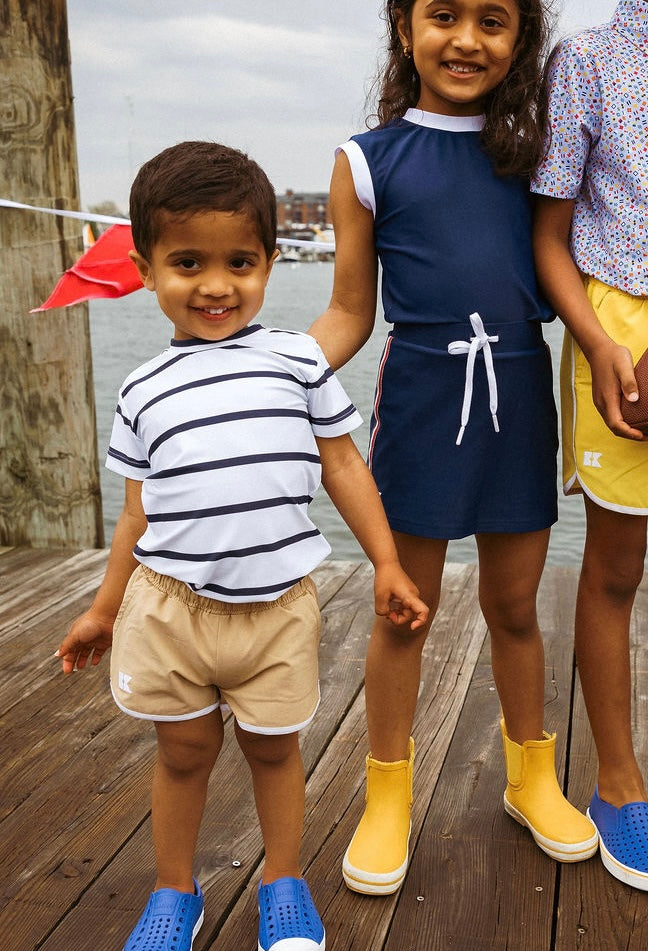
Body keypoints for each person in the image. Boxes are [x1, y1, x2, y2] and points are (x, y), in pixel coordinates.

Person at [56, 140, 428, 951]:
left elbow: (342, 465)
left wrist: (387, 564)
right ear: (146, 269)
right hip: (170, 608)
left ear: (265, 263)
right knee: (182, 753)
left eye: (240, 262)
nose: (216, 284)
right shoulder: (143, 388)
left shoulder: (298, 361)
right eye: (187, 263)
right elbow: (136, 510)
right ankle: (174, 892)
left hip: (277, 610)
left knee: (273, 750)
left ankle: (283, 880)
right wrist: (104, 609)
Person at [308, 0, 599, 897]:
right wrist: (271, 376)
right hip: (425, 396)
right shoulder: (367, 160)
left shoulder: (540, 154)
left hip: (518, 386)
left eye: (493, 20)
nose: (467, 39)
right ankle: (386, 795)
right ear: (404, 28)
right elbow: (351, 314)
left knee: (517, 607)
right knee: (409, 610)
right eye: (443, 16)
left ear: (521, 40)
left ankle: (530, 777)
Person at [532, 1, 648, 890]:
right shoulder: (591, 59)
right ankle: (619, 782)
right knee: (614, 569)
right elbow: (552, 237)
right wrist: (602, 344)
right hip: (618, 336)